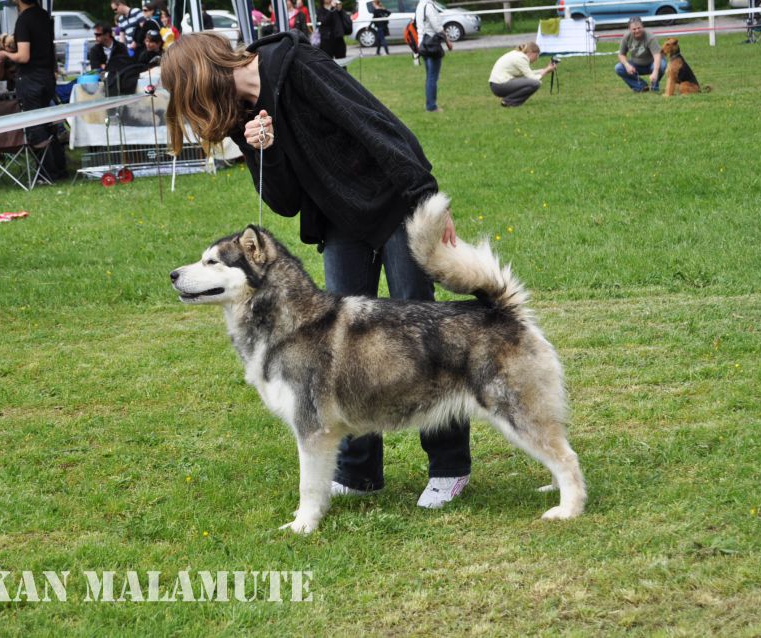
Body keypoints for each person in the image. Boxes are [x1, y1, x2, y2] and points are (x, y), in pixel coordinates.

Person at [161, 32, 472, 508]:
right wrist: (261, 150)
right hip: (338, 222)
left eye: (189, 100)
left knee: (423, 336)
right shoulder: (241, 116)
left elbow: (372, 121)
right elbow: (283, 202)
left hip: (395, 206)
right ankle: (360, 471)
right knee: (337, 352)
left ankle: (448, 465)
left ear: (202, 79)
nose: (196, 114)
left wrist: (423, 194)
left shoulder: (295, 65)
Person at [0, 0, 67, 180]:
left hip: (30, 79)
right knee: (50, 125)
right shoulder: (44, 16)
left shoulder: (23, 20)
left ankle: (46, 173)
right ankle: (59, 169)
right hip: (46, 77)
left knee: (35, 127)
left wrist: (5, 54)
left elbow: (23, 56)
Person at [488, 42, 556, 108]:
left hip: (497, 85)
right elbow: (533, 78)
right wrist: (546, 70)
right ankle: (509, 101)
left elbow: (529, 74)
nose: (537, 58)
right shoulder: (521, 58)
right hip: (500, 85)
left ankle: (509, 101)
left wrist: (546, 69)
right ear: (532, 53)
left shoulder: (517, 55)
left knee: (532, 82)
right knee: (536, 83)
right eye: (537, 55)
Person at [615, 17, 666, 93]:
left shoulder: (650, 37)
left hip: (652, 64)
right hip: (636, 65)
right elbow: (621, 55)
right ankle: (641, 86)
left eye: (639, 28)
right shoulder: (626, 37)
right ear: (629, 29)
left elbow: (657, 56)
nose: (637, 31)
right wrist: (627, 65)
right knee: (618, 68)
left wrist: (655, 72)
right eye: (634, 29)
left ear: (643, 27)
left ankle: (654, 87)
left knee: (662, 65)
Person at [415, 0, 450, 112]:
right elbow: (437, 26)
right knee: (432, 77)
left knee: (430, 76)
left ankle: (429, 104)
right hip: (432, 44)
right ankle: (431, 106)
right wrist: (447, 41)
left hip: (422, 44)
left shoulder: (420, 5)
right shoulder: (428, 6)